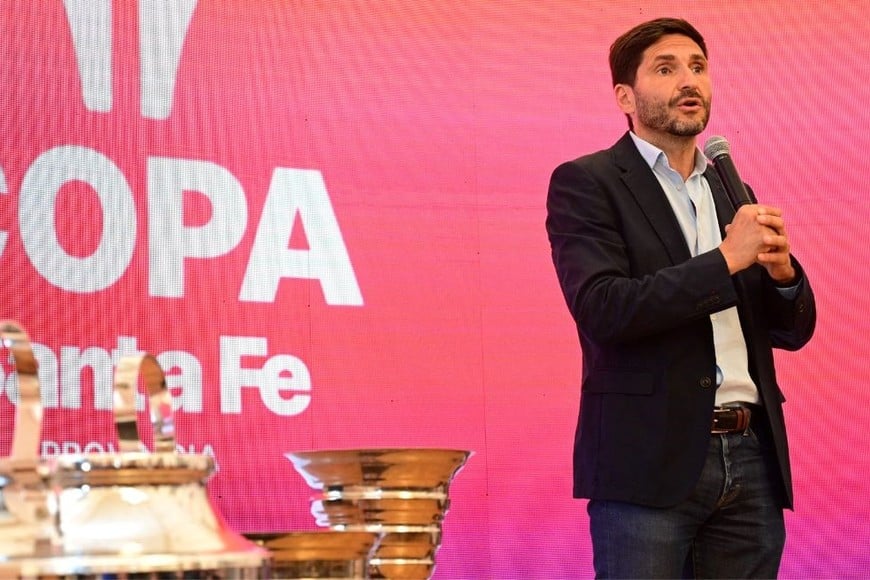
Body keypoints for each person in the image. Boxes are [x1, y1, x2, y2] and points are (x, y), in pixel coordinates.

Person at [546, 17, 816, 579]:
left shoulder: (731, 189)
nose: (689, 81)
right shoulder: (588, 182)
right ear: (626, 96)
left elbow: (789, 332)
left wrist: (784, 275)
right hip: (647, 461)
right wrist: (726, 260)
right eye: (666, 69)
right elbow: (604, 308)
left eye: (697, 67)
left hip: (751, 455)